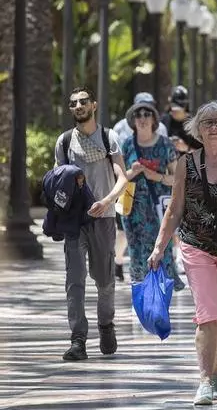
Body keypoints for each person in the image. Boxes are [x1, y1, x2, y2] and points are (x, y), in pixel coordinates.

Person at [148, 102, 217, 405]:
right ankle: (204, 380)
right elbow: (175, 208)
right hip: (195, 245)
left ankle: (215, 371)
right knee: (208, 315)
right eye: (206, 122)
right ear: (197, 129)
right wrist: (160, 246)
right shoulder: (186, 164)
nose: (213, 127)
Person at [55, 87, 129, 361]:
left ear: (94, 105)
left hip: (104, 218)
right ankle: (78, 340)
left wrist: (107, 201)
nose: (78, 106)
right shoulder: (64, 142)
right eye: (73, 103)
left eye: (83, 101)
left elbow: (122, 177)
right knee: (74, 281)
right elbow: (57, 179)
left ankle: (106, 325)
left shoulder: (109, 137)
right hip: (75, 222)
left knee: (105, 279)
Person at [120, 99, 180, 287]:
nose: (143, 118)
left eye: (147, 114)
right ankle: (143, 300)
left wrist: (156, 176)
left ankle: (162, 297)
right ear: (133, 120)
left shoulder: (165, 145)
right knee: (136, 253)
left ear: (154, 119)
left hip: (160, 211)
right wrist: (133, 172)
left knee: (162, 251)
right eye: (138, 115)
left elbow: (178, 179)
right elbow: (119, 177)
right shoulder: (127, 145)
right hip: (133, 212)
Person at [161, 86, 202, 153]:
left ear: (185, 106)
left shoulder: (193, 126)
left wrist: (186, 148)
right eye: (173, 106)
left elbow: (204, 156)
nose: (174, 110)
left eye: (178, 107)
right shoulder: (164, 121)